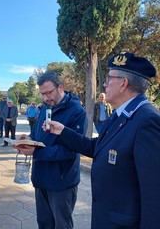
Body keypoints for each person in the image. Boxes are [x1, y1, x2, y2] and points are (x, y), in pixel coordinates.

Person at [43, 52, 160, 229]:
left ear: (123, 83)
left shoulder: (147, 121)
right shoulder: (122, 115)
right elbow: (97, 147)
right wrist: (63, 132)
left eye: (109, 78)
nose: (104, 83)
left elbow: (154, 196)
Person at [15, 72, 87, 229]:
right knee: (44, 224)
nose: (46, 98)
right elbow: (36, 134)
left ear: (60, 88)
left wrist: (36, 152)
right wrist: (27, 138)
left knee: (61, 225)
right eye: (43, 94)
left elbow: (71, 150)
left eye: (49, 92)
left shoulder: (76, 112)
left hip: (62, 181)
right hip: (41, 178)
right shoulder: (45, 108)